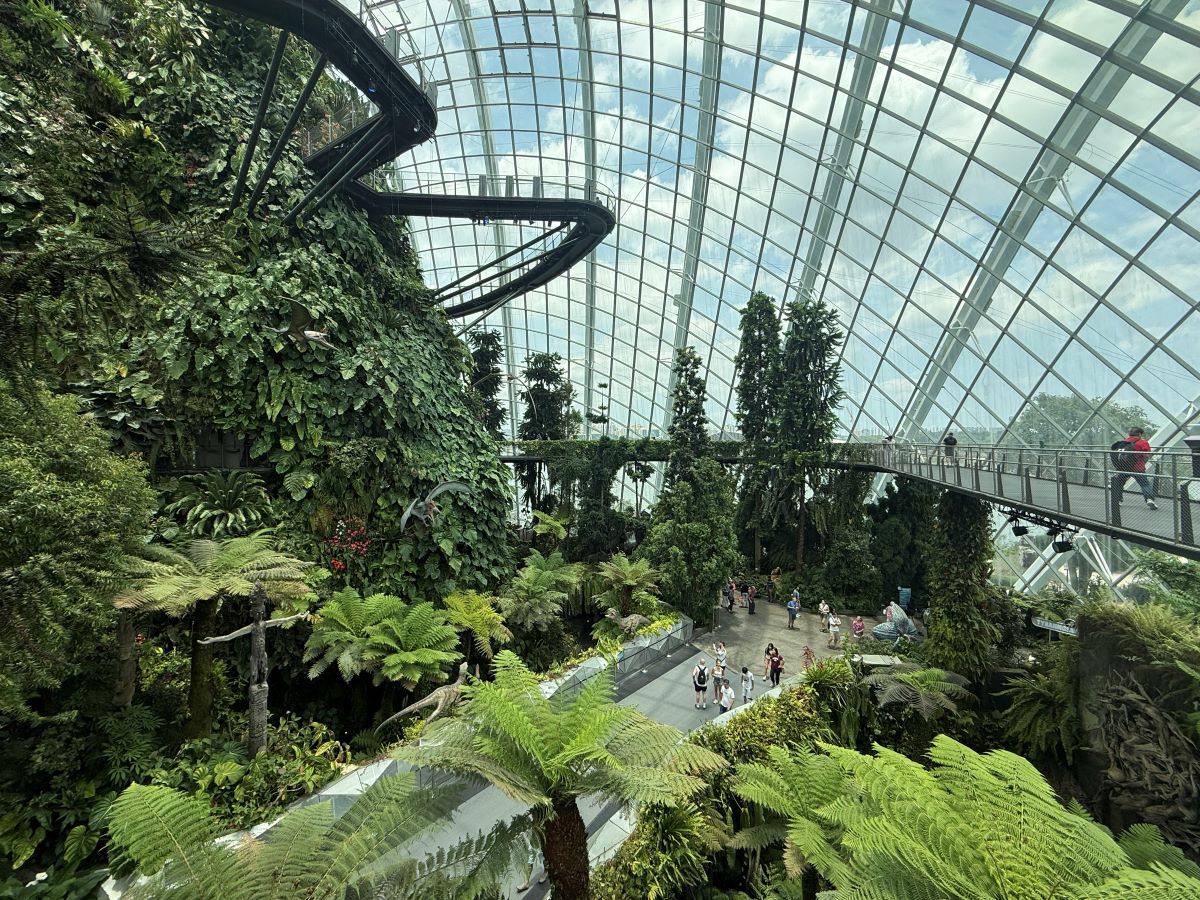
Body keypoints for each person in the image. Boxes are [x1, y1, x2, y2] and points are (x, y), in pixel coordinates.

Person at [1111, 426, 1158, 510]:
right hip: (1137, 468)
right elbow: (1147, 455)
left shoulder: (1124, 442)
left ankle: (1118, 500)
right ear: (1139, 434)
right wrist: (1143, 462)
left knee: (1119, 484)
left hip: (1123, 467)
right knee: (1144, 484)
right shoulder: (1142, 442)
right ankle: (1149, 499)